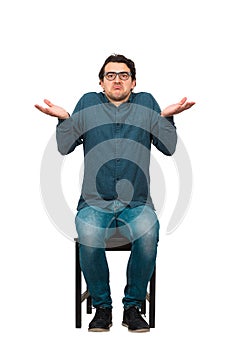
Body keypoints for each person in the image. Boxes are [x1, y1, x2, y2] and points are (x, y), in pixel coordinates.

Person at [35, 54, 195, 332]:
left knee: (148, 233)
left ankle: (132, 307)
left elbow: (168, 148)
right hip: (94, 202)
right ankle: (102, 308)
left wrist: (166, 118)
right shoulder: (88, 102)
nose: (117, 79)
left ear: (133, 82)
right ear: (101, 81)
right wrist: (64, 120)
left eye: (123, 75)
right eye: (110, 75)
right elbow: (64, 146)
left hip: (137, 202)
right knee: (88, 234)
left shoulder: (146, 103)